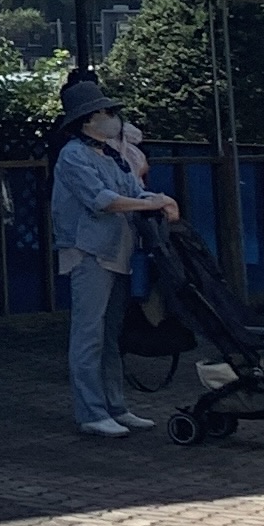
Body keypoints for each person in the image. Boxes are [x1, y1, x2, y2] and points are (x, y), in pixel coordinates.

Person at [50, 74, 178, 439]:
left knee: (111, 334)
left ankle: (115, 406)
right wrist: (150, 204)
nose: (113, 118)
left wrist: (159, 200)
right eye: (105, 112)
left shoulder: (111, 155)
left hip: (116, 252)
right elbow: (103, 201)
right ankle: (91, 411)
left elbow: (134, 190)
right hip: (88, 252)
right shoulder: (73, 156)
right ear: (87, 120)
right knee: (88, 333)